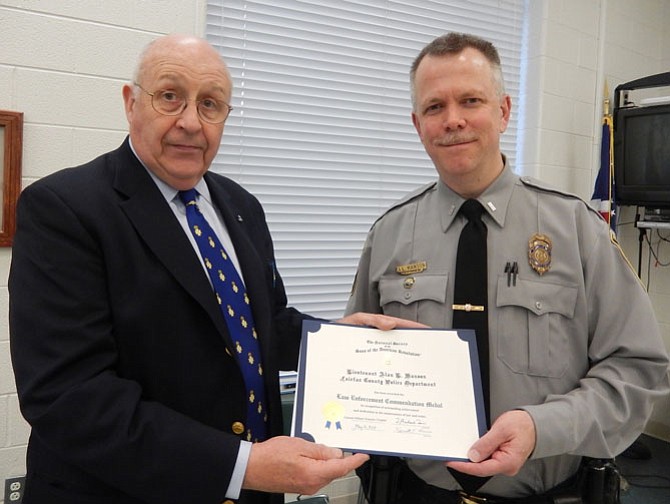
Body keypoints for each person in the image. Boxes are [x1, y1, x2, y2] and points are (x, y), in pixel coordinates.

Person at [8, 34, 420, 504]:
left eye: (210, 104)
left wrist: (340, 342)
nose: (190, 122)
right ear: (130, 103)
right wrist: (243, 464)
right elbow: (70, 397)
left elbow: (260, 324)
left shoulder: (241, 206)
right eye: (170, 97)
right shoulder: (66, 209)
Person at [345, 32, 670, 503]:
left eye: (471, 100)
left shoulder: (577, 229)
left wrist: (542, 428)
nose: (453, 120)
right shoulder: (388, 235)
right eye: (435, 108)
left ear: (503, 111)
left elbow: (638, 369)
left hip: (547, 492)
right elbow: (359, 367)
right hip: (414, 493)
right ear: (418, 125)